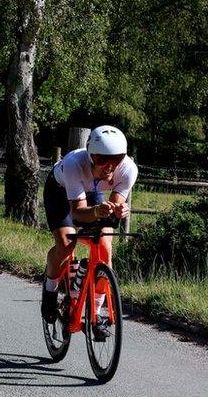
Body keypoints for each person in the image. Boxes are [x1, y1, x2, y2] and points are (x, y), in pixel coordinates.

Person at [40, 125, 137, 335]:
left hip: (92, 193)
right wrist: (96, 212)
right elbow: (77, 213)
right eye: (102, 159)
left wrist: (117, 211)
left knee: (104, 245)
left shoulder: (129, 169)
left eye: (117, 158)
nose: (109, 166)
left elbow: (112, 208)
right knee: (66, 244)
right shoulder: (75, 164)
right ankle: (50, 289)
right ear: (91, 155)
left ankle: (97, 311)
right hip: (61, 192)